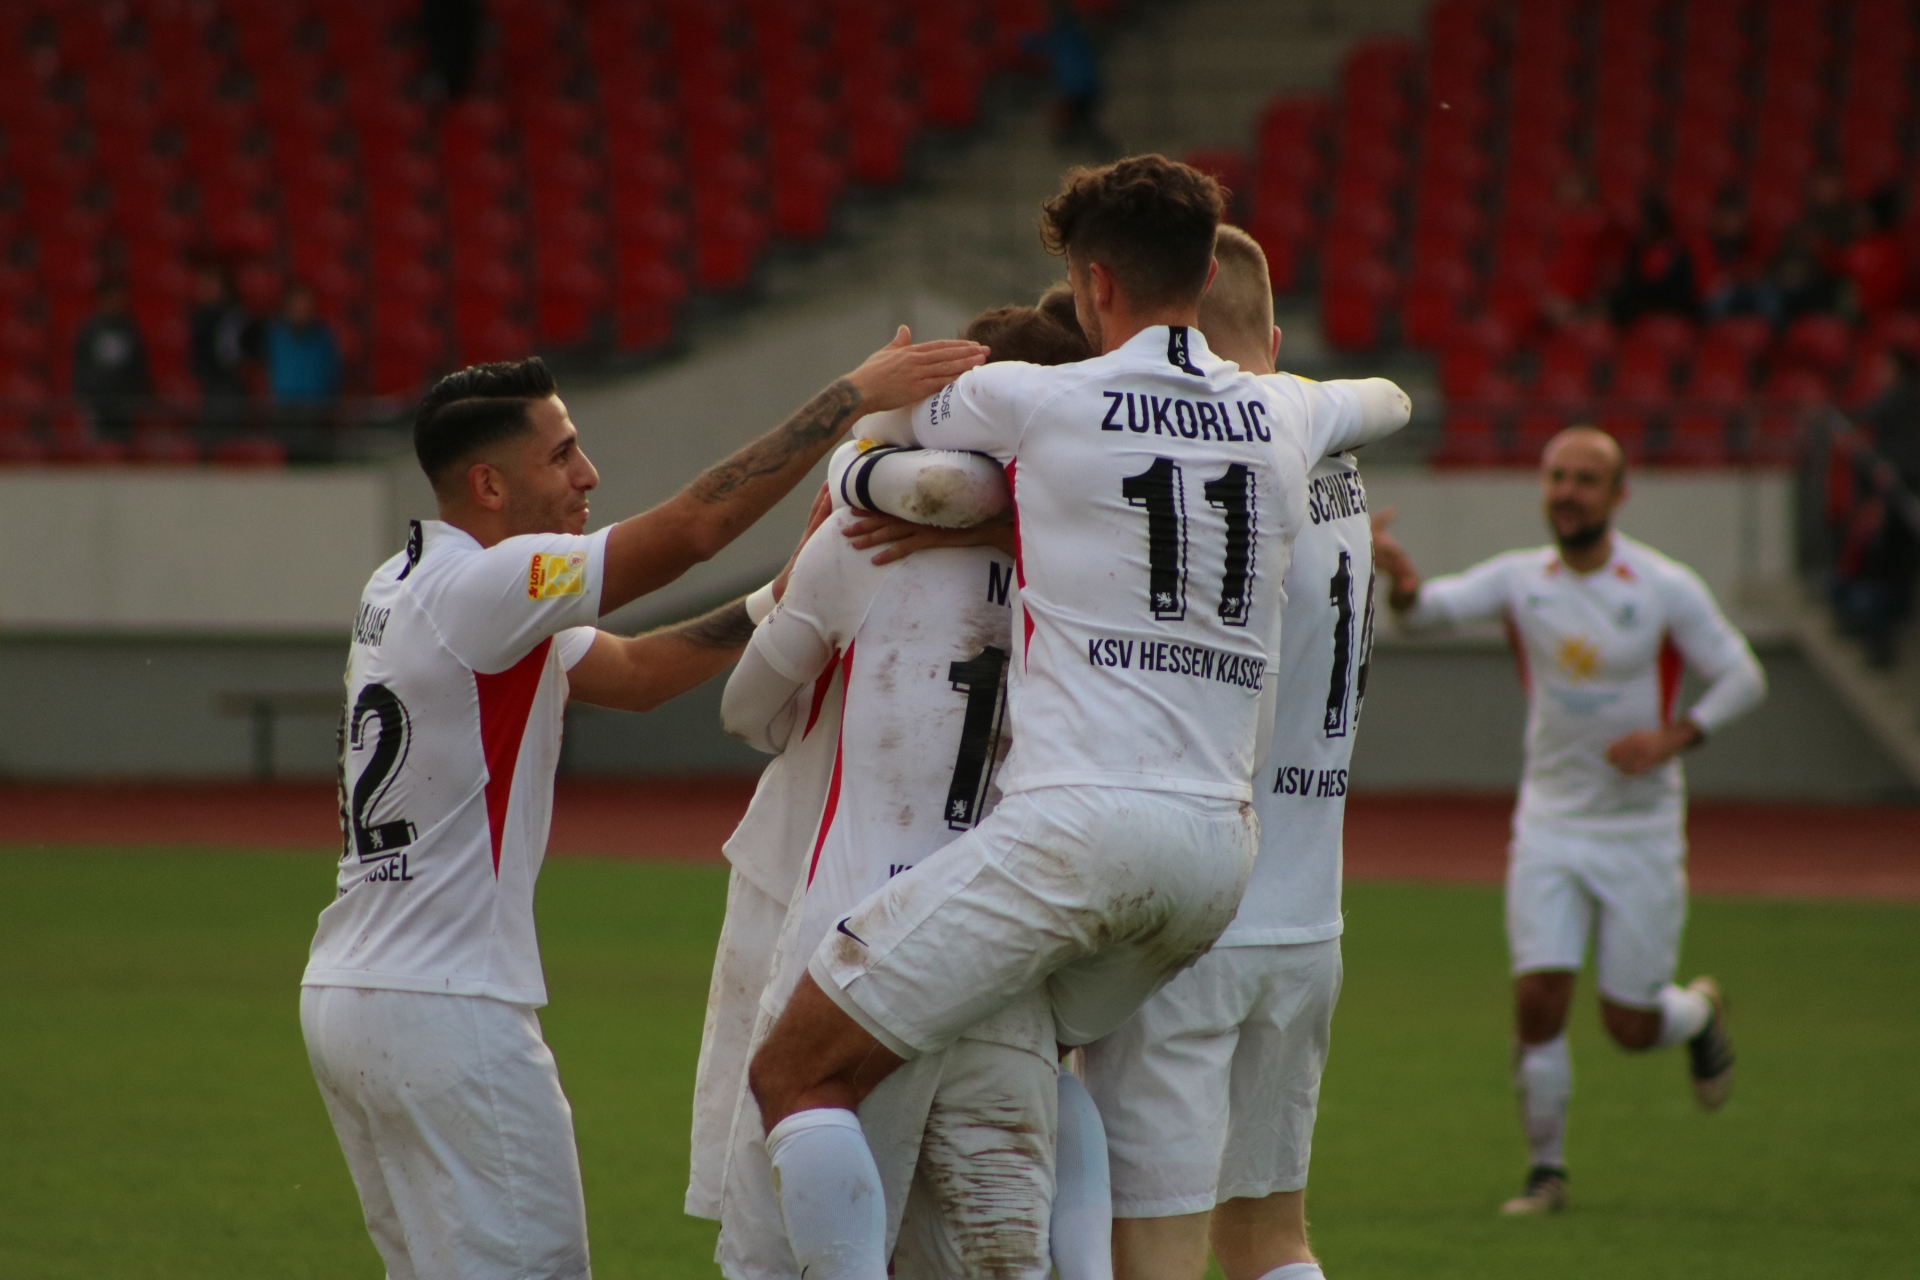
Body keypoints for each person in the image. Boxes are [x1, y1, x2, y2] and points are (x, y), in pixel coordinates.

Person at [744, 154, 1411, 1280]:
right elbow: (1389, 399)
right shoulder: (1282, 409)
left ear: (1095, 283)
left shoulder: (1045, 396)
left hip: (1078, 836)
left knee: (795, 1072)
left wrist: (868, 448)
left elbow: (902, 434)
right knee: (1039, 1058)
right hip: (1220, 860)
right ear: (1206, 275)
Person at [299, 332, 986, 1280]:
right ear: (489, 485)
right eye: (560, 454)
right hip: (448, 1007)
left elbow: (632, 675)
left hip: (349, 995)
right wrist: (850, 396)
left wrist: (784, 595)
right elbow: (689, 532)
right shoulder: (490, 587)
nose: (588, 473)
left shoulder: (410, 582)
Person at [699, 304, 1107, 1280]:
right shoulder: (1098, 568)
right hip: (1007, 947)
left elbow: (748, 711)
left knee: (791, 1251)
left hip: (857, 935)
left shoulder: (865, 532)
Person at [1371, 426, 1767, 1216]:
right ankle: (1545, 1172)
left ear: (1619, 495)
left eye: (1587, 479)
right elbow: (1424, 614)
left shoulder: (1663, 586)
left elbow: (1742, 677)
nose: (1568, 492)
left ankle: (1696, 1015)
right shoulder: (1523, 581)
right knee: (1539, 997)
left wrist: (1672, 738)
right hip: (1550, 825)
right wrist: (1404, 584)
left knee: (1630, 1024)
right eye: (1557, 477)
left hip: (1640, 830)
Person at [1082, 225, 1369, 1280]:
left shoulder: (1212, 464)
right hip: (1308, 920)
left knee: (1148, 1247)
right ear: (1274, 341)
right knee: (1268, 1239)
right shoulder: (1336, 463)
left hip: (1197, 914)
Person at [71, 276, 151, 441]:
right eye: (113, 297)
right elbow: (81, 365)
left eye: (121, 297)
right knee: (98, 446)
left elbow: (138, 366)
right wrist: (84, 396)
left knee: (123, 444)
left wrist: (141, 393)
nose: (118, 302)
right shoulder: (90, 330)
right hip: (97, 402)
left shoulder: (130, 329)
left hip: (124, 403)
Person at [1609, 198, 1699, 326]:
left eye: (1644, 224)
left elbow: (1683, 287)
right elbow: (1629, 283)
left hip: (1670, 304)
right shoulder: (1635, 250)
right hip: (1640, 305)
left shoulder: (1677, 251)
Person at [187, 264, 257, 429]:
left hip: (230, 387)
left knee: (230, 435)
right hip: (208, 387)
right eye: (204, 284)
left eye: (212, 283)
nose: (207, 288)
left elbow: (239, 355)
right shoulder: (198, 317)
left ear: (224, 286)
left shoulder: (236, 316)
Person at [267, 281, 342, 407]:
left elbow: (333, 375)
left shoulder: (325, 339)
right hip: (283, 408)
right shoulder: (275, 337)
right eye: (297, 304)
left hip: (318, 408)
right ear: (288, 306)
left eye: (305, 304)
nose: (302, 309)